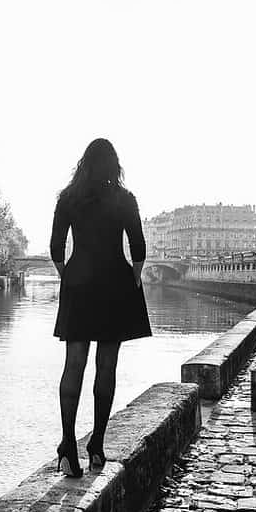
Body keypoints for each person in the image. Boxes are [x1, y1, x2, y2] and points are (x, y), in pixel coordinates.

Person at [50, 138, 152, 477]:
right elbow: (138, 247)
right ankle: (97, 446)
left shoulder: (68, 198)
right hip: (114, 283)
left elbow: (56, 248)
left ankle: (68, 447)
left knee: (74, 365)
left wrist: (70, 276)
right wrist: (133, 278)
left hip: (79, 281)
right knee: (106, 367)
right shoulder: (125, 199)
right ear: (114, 166)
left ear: (84, 164)